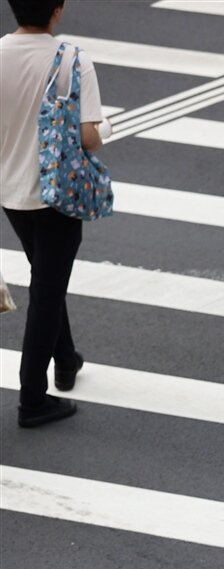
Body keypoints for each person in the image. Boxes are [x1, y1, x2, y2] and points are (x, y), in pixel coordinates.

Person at [1, 0, 106, 428]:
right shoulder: (71, 60)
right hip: (58, 196)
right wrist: (107, 128)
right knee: (46, 290)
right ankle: (32, 398)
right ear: (57, 10)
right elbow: (89, 137)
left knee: (47, 275)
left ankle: (66, 360)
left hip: (11, 193)